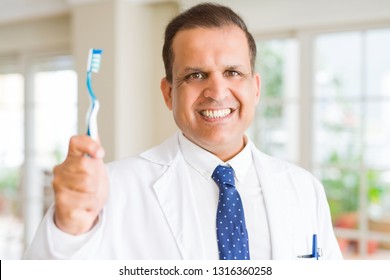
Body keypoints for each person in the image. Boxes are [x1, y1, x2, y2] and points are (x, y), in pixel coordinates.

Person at [24, 3, 342, 260]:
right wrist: (68, 227)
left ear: (255, 88)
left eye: (233, 72)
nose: (217, 91)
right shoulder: (112, 189)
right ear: (168, 93)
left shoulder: (305, 189)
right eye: (196, 75)